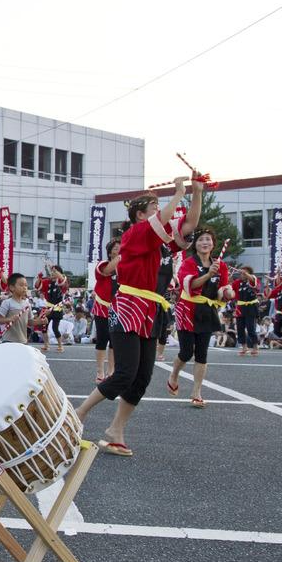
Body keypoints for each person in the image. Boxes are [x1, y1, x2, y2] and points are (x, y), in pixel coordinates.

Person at [74, 175, 203, 456]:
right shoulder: (134, 234)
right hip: (128, 305)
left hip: (151, 309)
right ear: (140, 215)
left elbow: (190, 225)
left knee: (143, 376)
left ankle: (115, 431)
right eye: (155, 209)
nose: (161, 214)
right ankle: (79, 413)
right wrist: (178, 193)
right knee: (125, 373)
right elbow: (160, 222)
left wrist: (197, 192)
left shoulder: (163, 245)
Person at [166, 228, 234, 407]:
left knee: (202, 354)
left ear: (213, 244)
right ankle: (174, 374)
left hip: (207, 310)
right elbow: (189, 286)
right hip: (187, 309)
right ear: (195, 244)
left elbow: (223, 288)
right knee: (186, 352)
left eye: (208, 240)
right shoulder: (188, 263)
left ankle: (197, 392)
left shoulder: (221, 265)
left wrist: (228, 292)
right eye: (201, 240)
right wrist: (208, 274)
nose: (205, 243)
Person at [0, 273, 45, 344]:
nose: (24, 287)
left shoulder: (27, 304)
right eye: (21, 285)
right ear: (12, 287)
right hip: (8, 341)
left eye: (26, 285)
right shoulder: (7, 303)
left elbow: (30, 322)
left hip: (23, 341)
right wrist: (9, 319)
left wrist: (40, 321)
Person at [92, 239, 120, 382]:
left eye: (121, 248)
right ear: (109, 252)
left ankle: (111, 371)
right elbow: (106, 271)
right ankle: (100, 372)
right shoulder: (103, 265)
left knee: (115, 341)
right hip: (103, 307)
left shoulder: (125, 267)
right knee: (102, 338)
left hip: (119, 308)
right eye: (116, 248)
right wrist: (122, 256)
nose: (119, 250)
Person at [35, 265, 69, 352]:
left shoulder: (61, 282)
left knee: (55, 328)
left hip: (57, 308)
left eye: (55, 272)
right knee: (44, 326)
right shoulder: (47, 282)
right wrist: (39, 278)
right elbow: (37, 286)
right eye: (52, 272)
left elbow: (63, 281)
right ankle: (46, 345)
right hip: (48, 308)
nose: (52, 273)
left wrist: (56, 271)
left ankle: (60, 345)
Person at [232, 266, 261, 357]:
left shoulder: (253, 279)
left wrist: (246, 273)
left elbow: (253, 281)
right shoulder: (237, 283)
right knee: (240, 328)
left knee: (250, 328)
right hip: (240, 307)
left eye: (244, 273)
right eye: (241, 273)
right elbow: (230, 289)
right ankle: (244, 347)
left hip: (251, 306)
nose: (242, 275)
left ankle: (255, 346)